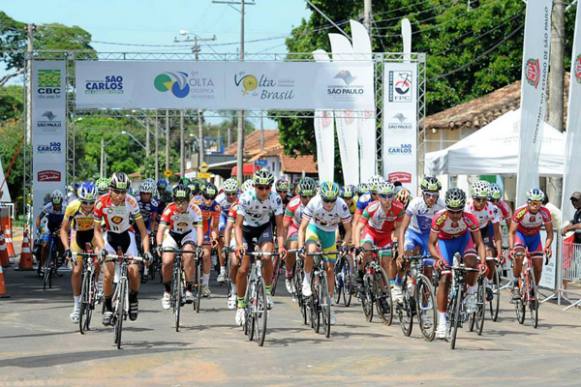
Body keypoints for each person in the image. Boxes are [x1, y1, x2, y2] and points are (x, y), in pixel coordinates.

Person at [94, 172, 152, 325]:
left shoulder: (131, 202)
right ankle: (107, 307)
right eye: (117, 192)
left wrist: (146, 251)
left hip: (128, 237)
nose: (120, 196)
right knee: (108, 273)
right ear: (110, 190)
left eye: (123, 192)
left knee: (133, 271)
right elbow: (96, 230)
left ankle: (133, 298)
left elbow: (143, 231)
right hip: (110, 237)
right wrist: (101, 248)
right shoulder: (101, 202)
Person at [429, 188, 486, 339]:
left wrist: (483, 262)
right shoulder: (439, 218)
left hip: (463, 241)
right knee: (445, 278)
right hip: (444, 243)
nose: (455, 215)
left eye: (458, 211)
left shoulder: (470, 218)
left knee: (472, 263)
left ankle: (471, 293)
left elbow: (479, 243)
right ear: (446, 208)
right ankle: (442, 323)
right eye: (451, 211)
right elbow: (431, 244)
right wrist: (438, 258)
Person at [234, 168, 286, 326]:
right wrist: (238, 245)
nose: (264, 191)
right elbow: (237, 226)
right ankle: (241, 305)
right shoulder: (246, 197)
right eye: (260, 188)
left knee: (267, 256)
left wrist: (282, 246)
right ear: (255, 186)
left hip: (264, 228)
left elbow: (280, 226)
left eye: (267, 187)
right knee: (243, 268)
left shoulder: (275, 199)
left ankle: (268, 292)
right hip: (246, 230)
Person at [298, 181, 352, 325]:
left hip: (329, 234)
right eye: (326, 200)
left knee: (330, 269)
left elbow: (348, 230)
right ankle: (307, 280)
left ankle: (329, 305)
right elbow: (302, 228)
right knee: (311, 251)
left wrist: (345, 244)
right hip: (314, 229)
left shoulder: (342, 205)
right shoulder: (314, 202)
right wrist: (299, 246)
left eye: (332, 200)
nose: (329, 204)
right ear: (321, 197)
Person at [354, 181, 404, 301]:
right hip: (370, 233)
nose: (387, 199)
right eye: (383, 196)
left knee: (386, 263)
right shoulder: (371, 207)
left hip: (385, 236)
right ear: (378, 196)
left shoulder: (399, 208)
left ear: (393, 196)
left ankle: (383, 294)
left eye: (390, 196)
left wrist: (396, 242)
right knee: (366, 251)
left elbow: (399, 228)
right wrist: (357, 246)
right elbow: (359, 227)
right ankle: (360, 275)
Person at [156, 184, 203, 309]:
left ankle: (188, 288)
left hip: (188, 234)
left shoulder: (195, 209)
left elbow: (199, 230)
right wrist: (159, 245)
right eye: (177, 201)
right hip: (172, 235)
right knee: (167, 261)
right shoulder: (169, 209)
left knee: (188, 254)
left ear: (188, 201)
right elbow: (161, 229)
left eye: (183, 202)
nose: (180, 205)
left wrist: (199, 246)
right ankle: (167, 292)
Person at [60, 182, 98, 323]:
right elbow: (64, 230)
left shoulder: (99, 207)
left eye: (91, 202)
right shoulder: (72, 207)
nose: (88, 205)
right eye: (85, 202)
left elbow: (104, 229)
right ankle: (77, 305)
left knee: (99, 258)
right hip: (78, 236)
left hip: (94, 235)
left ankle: (96, 285)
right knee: (76, 271)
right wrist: (67, 249)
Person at [508, 188, 553, 300]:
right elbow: (512, 232)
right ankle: (515, 285)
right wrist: (511, 248)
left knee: (538, 265)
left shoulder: (545, 212)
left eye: (539, 203)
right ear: (528, 202)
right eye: (533, 203)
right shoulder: (520, 211)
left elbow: (550, 233)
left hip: (534, 237)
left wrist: (547, 246)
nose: (536, 206)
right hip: (520, 235)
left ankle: (534, 288)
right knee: (518, 256)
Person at [397, 177, 445, 274]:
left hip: (429, 236)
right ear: (422, 194)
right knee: (407, 256)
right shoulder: (415, 203)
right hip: (413, 233)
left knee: (428, 268)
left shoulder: (442, 205)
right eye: (428, 195)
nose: (431, 198)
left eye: (434, 195)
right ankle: (399, 283)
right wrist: (401, 252)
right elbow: (403, 228)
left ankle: (425, 287)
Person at [465, 181, 502, 300]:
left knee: (490, 254)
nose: (481, 203)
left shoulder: (492, 208)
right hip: (469, 231)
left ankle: (489, 283)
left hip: (484, 229)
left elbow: (497, 233)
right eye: (478, 199)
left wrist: (500, 252)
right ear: (473, 198)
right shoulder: (467, 207)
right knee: (469, 257)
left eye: (484, 199)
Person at [283, 177, 316, 295]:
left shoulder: (319, 202)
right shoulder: (293, 203)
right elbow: (285, 225)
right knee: (293, 246)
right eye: (304, 196)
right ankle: (289, 273)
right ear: (299, 194)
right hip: (296, 228)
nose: (307, 199)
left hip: (312, 229)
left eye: (310, 196)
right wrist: (283, 244)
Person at [192, 182, 221, 297]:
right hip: (192, 228)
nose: (209, 200)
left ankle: (205, 285)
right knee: (188, 253)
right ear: (202, 195)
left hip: (204, 230)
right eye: (207, 197)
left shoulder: (216, 207)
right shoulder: (195, 202)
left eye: (212, 198)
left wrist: (214, 238)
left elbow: (214, 227)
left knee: (206, 254)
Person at [215, 178, 239, 283]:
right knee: (221, 235)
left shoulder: (242, 198)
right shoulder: (219, 200)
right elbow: (215, 217)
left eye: (233, 193)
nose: (231, 196)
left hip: (236, 217)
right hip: (223, 217)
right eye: (228, 194)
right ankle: (222, 270)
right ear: (224, 192)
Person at [35, 190, 66, 272]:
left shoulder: (65, 208)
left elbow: (68, 221)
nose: (56, 206)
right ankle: (41, 265)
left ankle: (60, 257)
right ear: (52, 202)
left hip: (60, 226)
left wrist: (63, 229)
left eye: (58, 205)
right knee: (44, 246)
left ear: (61, 202)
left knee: (61, 239)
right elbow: (39, 218)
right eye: (54, 204)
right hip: (49, 226)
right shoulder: (48, 207)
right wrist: (38, 228)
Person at [136, 179, 159, 253]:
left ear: (151, 194)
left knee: (149, 240)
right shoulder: (135, 200)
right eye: (143, 193)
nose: (145, 196)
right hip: (135, 222)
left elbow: (153, 220)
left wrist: (152, 233)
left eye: (147, 194)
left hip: (147, 222)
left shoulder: (154, 203)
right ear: (140, 193)